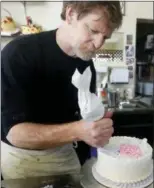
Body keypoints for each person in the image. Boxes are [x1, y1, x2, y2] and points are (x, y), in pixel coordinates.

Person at [1, 1, 123, 179]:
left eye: (105, 37)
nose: (98, 44)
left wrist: (95, 122)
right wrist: (79, 130)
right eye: (93, 30)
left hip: (68, 153)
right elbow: (14, 134)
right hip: (24, 160)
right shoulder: (19, 54)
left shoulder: (85, 62)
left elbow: (80, 117)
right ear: (70, 14)